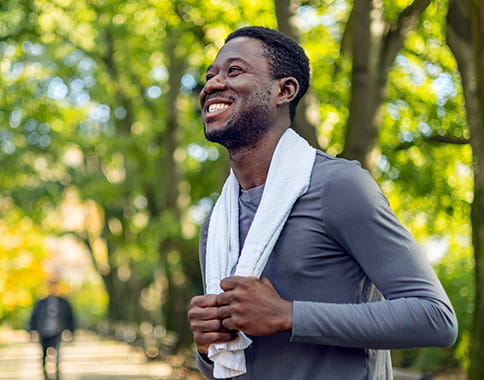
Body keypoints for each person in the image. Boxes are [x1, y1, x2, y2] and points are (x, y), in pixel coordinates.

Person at [187, 26, 458, 380]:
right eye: (210, 76)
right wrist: (207, 349)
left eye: (233, 71)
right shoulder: (217, 223)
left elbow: (435, 318)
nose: (212, 84)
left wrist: (288, 315)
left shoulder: (338, 186)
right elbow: (230, 365)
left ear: (284, 91)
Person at [29, 278, 75, 380]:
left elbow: (70, 318)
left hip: (58, 333)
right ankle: (45, 376)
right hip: (44, 332)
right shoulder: (41, 303)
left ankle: (57, 376)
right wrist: (32, 330)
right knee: (44, 356)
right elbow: (34, 317)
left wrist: (70, 332)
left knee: (58, 357)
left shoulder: (64, 303)